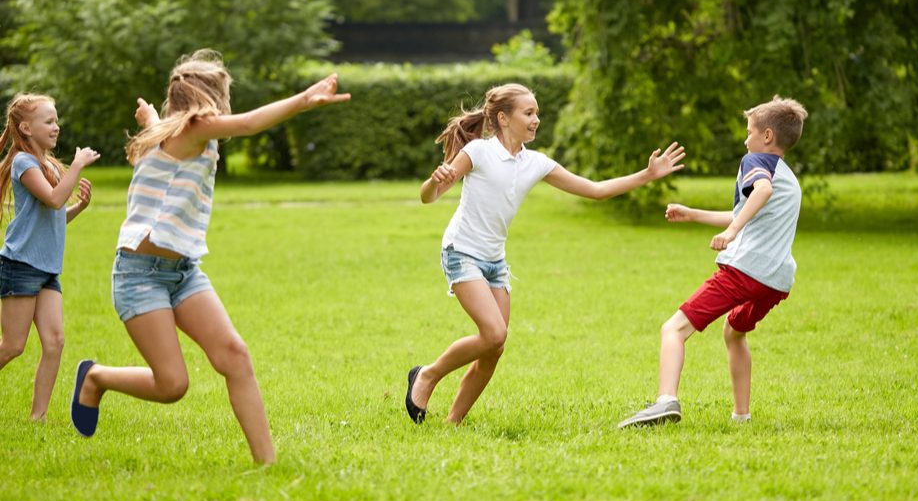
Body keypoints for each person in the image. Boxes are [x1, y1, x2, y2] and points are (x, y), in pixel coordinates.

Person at [69, 49, 349, 464]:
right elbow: (252, 123)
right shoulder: (198, 127)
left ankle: (267, 463)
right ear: (211, 99)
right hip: (139, 275)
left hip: (183, 271)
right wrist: (304, 100)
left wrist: (149, 118)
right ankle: (95, 377)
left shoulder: (166, 131)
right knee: (172, 385)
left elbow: (163, 134)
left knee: (234, 356)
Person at [406, 82, 686, 425]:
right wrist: (434, 182)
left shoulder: (535, 163)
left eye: (537, 113)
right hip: (461, 251)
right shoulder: (478, 152)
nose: (536, 119)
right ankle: (428, 375)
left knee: (495, 347)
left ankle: (453, 423)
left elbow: (595, 191)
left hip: (495, 262)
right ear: (504, 118)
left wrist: (648, 174)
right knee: (493, 333)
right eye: (529, 113)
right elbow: (428, 197)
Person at [618, 95, 808, 428]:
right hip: (776, 280)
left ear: (767, 137)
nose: (745, 138)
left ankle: (666, 401)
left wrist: (732, 231)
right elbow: (747, 212)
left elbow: (758, 194)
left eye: (749, 131)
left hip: (745, 270)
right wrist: (693, 214)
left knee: (673, 329)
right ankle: (741, 416)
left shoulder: (755, 161)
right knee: (734, 331)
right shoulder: (788, 178)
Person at [0, 94, 99, 420]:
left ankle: (37, 418)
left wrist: (80, 208)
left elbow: (55, 215)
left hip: (46, 269)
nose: (56, 127)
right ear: (26, 128)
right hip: (21, 265)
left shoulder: (48, 165)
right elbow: (55, 199)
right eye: (49, 121)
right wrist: (79, 164)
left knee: (55, 342)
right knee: (13, 345)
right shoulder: (23, 163)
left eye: (56, 121)